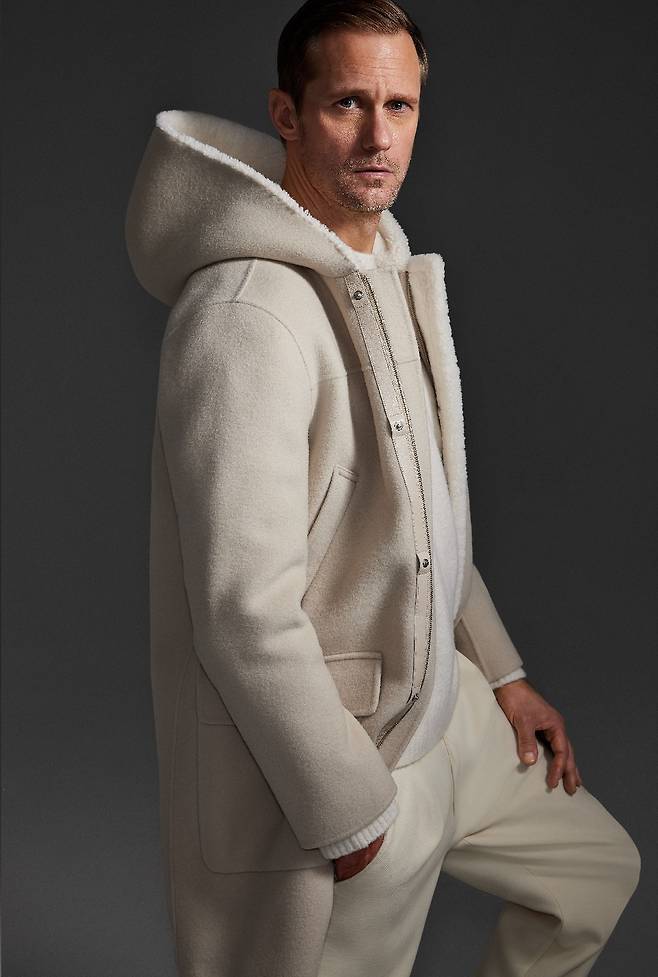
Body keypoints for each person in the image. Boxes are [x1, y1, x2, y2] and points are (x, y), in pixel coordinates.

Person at [124, 2, 641, 975]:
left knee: (594, 874)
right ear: (286, 113)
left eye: (399, 105)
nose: (378, 136)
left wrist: (499, 672)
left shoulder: (383, 261)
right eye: (347, 104)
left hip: (443, 708)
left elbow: (424, 509)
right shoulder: (245, 316)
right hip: (352, 749)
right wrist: (345, 806)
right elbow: (239, 611)